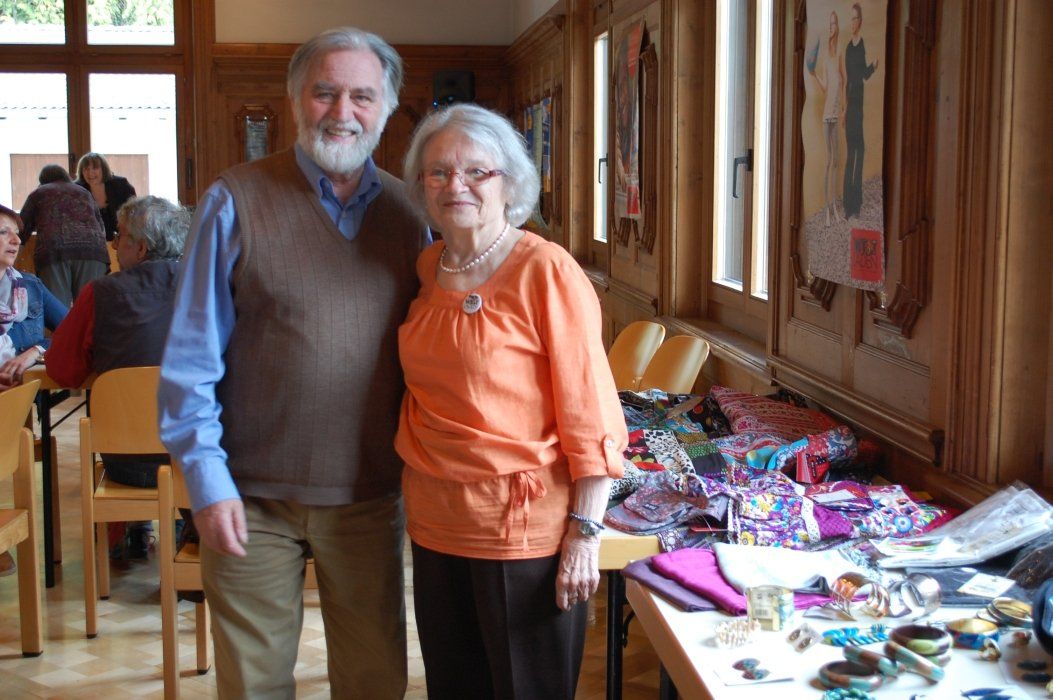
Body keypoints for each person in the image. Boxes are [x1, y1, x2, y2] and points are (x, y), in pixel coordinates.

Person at [157, 26, 428, 698]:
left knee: (374, 682)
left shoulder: (411, 214)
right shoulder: (233, 200)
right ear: (294, 98)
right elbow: (190, 359)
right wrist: (206, 482)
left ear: (386, 108)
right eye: (324, 93)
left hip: (369, 496)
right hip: (248, 498)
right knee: (253, 686)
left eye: (362, 96)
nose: (342, 112)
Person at [396, 103, 628, 699]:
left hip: (523, 531)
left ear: (510, 182)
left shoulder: (545, 269)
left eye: (477, 171)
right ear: (421, 186)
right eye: (439, 172)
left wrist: (585, 533)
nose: (457, 185)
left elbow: (591, 412)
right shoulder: (428, 266)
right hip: (435, 522)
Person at [47, 195, 190, 559]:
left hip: (127, 462)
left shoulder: (100, 294)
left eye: (120, 235)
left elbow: (62, 370)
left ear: (140, 248)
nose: (112, 244)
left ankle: (133, 529)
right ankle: (186, 532)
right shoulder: (211, 288)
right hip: (198, 458)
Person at [0, 203, 67, 576]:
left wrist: (36, 350)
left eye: (17, 233)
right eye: (3, 232)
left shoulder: (31, 287)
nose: (15, 240)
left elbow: (72, 330)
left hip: (17, 402)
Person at [19, 164, 109, 307]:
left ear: (43, 180)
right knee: (89, 309)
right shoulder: (84, 192)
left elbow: (21, 228)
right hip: (93, 252)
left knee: (58, 310)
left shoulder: (39, 193)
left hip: (54, 252)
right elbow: (101, 226)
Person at [810, 11, 847, 226]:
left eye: (834, 23)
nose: (832, 27)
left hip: (836, 113)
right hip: (826, 117)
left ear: (837, 27)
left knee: (836, 162)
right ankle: (827, 210)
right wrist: (814, 75)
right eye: (830, 24)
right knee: (828, 161)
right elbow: (826, 87)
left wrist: (844, 109)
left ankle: (834, 207)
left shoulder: (839, 53)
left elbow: (843, 82)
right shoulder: (824, 57)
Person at [842, 2, 879, 220]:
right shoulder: (849, 48)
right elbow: (850, 79)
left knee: (859, 152)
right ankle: (849, 205)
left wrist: (873, 67)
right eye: (851, 19)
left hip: (859, 107)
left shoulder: (861, 44)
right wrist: (845, 109)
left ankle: (856, 203)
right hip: (852, 107)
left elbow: (863, 75)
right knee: (852, 154)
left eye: (855, 19)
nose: (852, 23)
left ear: (860, 21)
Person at [75, 152, 138, 242]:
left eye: (95, 168)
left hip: (120, 239)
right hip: (90, 242)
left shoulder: (121, 185)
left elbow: (134, 212)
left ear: (104, 169)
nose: (90, 173)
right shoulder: (76, 190)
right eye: (86, 169)